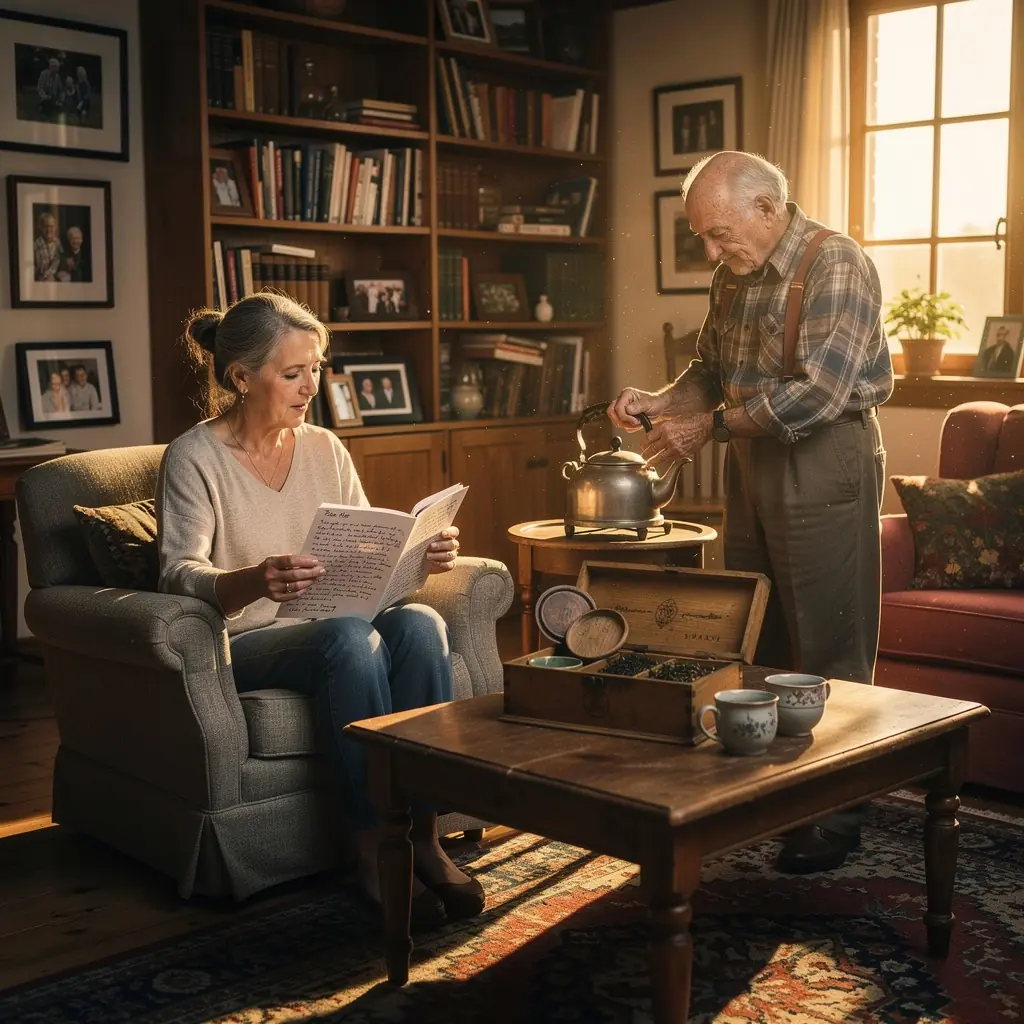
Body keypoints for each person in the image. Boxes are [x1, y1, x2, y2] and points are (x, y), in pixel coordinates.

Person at [156, 293, 481, 929]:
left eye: (317, 368)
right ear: (241, 377)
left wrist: (418, 559)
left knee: (421, 624)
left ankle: (423, 837)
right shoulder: (193, 457)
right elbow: (177, 572)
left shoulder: (326, 448)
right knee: (348, 641)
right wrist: (254, 579)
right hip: (248, 639)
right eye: (293, 373)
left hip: (337, 621)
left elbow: (366, 556)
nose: (312, 386)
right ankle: (369, 848)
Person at [610, 151, 894, 874]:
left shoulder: (838, 265)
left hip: (825, 454)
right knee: (755, 628)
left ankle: (836, 813)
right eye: (702, 237)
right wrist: (660, 399)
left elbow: (822, 394)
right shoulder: (730, 275)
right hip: (752, 456)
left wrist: (711, 427)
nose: (710, 251)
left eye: (719, 233)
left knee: (830, 644)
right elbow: (709, 372)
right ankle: (768, 792)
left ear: (768, 210)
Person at [34, 213, 62, 282]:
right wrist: (45, 277)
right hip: (41, 278)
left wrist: (51, 276)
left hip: (54, 278)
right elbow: (38, 265)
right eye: (46, 226)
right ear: (41, 228)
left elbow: (59, 262)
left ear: (55, 228)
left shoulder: (58, 243)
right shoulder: (37, 244)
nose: (49, 229)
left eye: (51, 226)